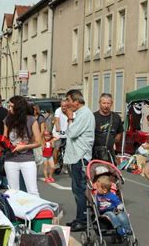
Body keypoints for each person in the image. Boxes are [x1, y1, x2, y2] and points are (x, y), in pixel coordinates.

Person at [63, 90, 95, 232]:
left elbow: (72, 132)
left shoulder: (85, 113)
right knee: (77, 190)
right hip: (76, 157)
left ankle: (83, 220)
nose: (67, 103)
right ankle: (80, 218)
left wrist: (70, 118)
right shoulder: (82, 113)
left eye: (68, 100)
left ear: (76, 101)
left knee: (80, 190)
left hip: (80, 157)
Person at [2, 96, 42, 196]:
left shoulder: (31, 120)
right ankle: (16, 211)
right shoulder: (7, 120)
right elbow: (5, 137)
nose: (9, 108)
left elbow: (38, 142)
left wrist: (24, 147)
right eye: (9, 106)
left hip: (27, 158)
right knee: (13, 191)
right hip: (10, 158)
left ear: (18, 107)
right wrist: (0, 144)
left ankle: (35, 211)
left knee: (32, 190)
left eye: (11, 106)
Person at [92, 93, 124, 163]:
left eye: (108, 103)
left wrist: (112, 142)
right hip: (94, 154)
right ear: (99, 103)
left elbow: (119, 134)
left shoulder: (116, 117)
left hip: (110, 153)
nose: (106, 106)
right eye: (104, 103)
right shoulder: (93, 117)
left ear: (111, 104)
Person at [53, 100, 69, 170]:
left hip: (66, 133)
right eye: (62, 106)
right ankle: (55, 163)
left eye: (65, 106)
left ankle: (67, 164)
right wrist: (58, 129)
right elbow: (57, 120)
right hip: (58, 133)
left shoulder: (70, 111)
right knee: (57, 148)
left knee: (69, 149)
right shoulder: (58, 111)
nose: (63, 107)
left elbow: (71, 121)